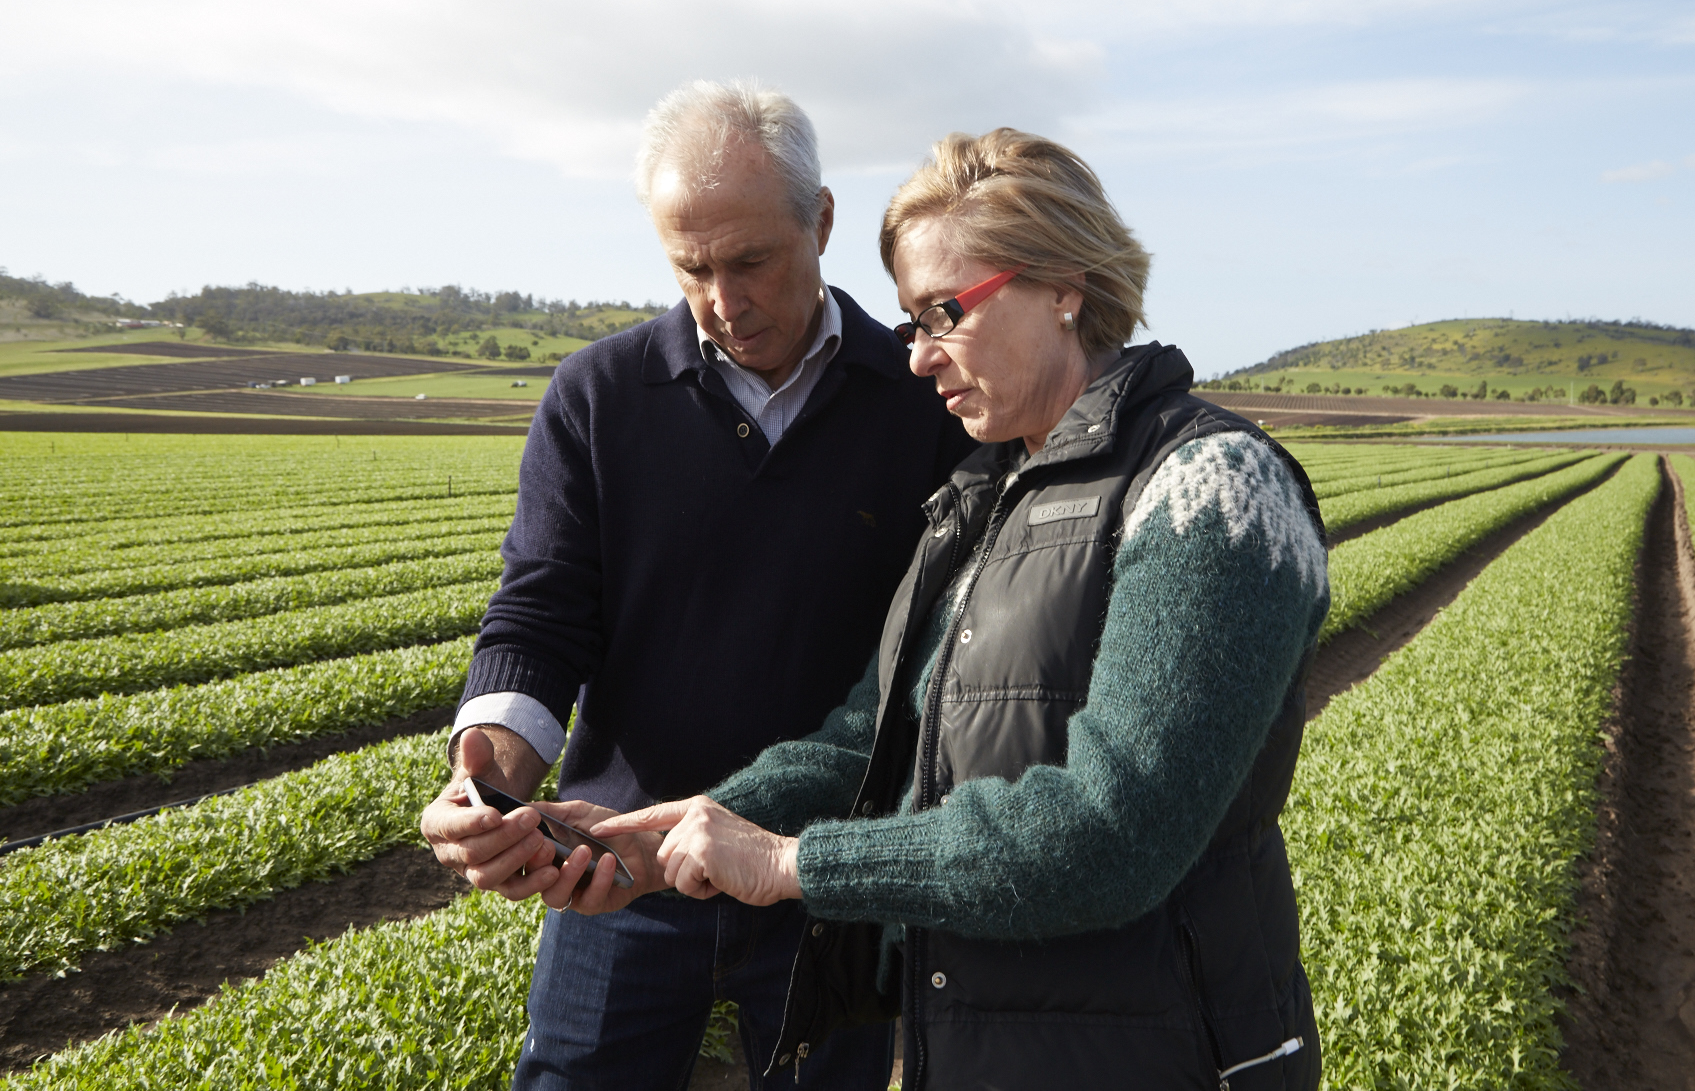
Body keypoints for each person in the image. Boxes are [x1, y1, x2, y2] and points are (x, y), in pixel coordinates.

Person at [583, 128, 1330, 1090]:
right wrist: (678, 828)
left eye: (945, 313)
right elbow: (868, 742)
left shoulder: (1208, 485)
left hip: (1163, 1054)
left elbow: (1111, 832)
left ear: (1062, 284)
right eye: (909, 323)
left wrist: (790, 863)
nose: (918, 359)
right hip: (987, 1043)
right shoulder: (984, 496)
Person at [417, 81, 974, 1090]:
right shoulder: (597, 396)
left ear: (821, 221)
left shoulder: (923, 397)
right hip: (622, 870)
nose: (724, 301)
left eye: (751, 261)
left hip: (823, 872)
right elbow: (541, 614)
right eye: (692, 268)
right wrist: (486, 781)